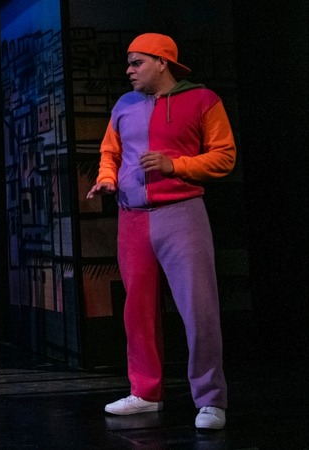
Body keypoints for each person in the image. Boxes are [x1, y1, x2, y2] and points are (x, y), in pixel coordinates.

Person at [87, 33, 236, 430]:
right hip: (132, 217)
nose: (129, 70)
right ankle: (145, 392)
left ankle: (210, 399)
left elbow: (225, 156)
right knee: (137, 310)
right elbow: (110, 152)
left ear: (162, 62)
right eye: (129, 62)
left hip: (181, 213)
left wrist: (176, 166)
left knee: (198, 309)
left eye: (136, 62)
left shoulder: (203, 100)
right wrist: (107, 178)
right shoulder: (124, 105)